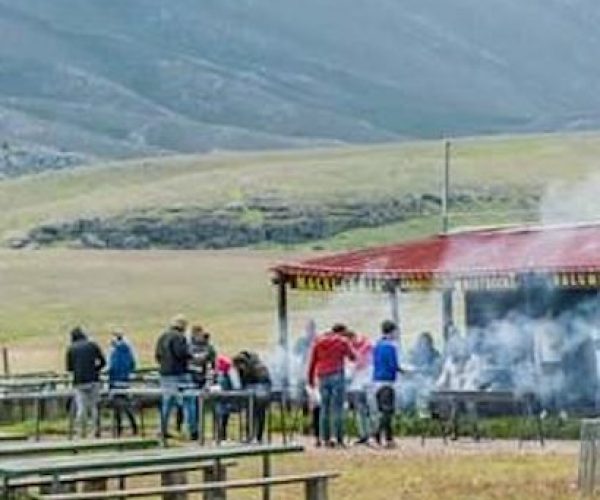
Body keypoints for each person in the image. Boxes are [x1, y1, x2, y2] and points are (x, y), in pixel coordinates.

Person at [308, 323, 356, 448]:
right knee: (337, 408)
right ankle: (338, 438)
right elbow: (353, 357)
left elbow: (312, 362)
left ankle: (325, 439)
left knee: (324, 408)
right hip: (337, 375)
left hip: (322, 377)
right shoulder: (342, 341)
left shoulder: (318, 342)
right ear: (341, 332)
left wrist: (310, 380)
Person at [155, 315, 198, 440]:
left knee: (167, 403)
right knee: (189, 401)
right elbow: (181, 353)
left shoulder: (162, 337)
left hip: (165, 374)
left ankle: (163, 429)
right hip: (180, 374)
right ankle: (193, 430)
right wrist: (192, 356)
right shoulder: (180, 337)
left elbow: (157, 355)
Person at [66, 327, 106, 438]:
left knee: (81, 408)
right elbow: (103, 361)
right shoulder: (93, 345)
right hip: (94, 380)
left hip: (79, 382)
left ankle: (81, 432)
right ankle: (95, 431)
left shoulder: (71, 349)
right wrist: (96, 369)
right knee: (94, 406)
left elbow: (69, 368)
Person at [372, 320, 403, 448]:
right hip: (387, 382)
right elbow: (393, 365)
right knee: (387, 412)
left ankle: (389, 439)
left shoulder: (377, 345)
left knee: (384, 411)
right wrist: (403, 370)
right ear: (392, 331)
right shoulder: (390, 347)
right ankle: (377, 434)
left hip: (376, 381)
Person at [233, 351, 272, 443]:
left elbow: (247, 384)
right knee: (255, 414)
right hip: (259, 392)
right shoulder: (251, 365)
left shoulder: (255, 367)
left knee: (255, 414)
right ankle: (254, 436)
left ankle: (254, 437)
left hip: (259, 392)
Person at [344, 329, 373, 445]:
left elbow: (353, 368)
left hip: (361, 384)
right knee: (361, 411)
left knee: (363, 411)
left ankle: (367, 434)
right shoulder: (363, 347)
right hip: (356, 385)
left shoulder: (362, 348)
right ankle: (364, 434)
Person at [107, 331, 138, 436]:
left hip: (116, 382)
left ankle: (118, 429)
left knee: (117, 407)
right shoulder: (128, 351)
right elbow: (133, 365)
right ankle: (134, 426)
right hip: (126, 382)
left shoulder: (114, 353)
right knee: (127, 406)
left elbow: (111, 368)